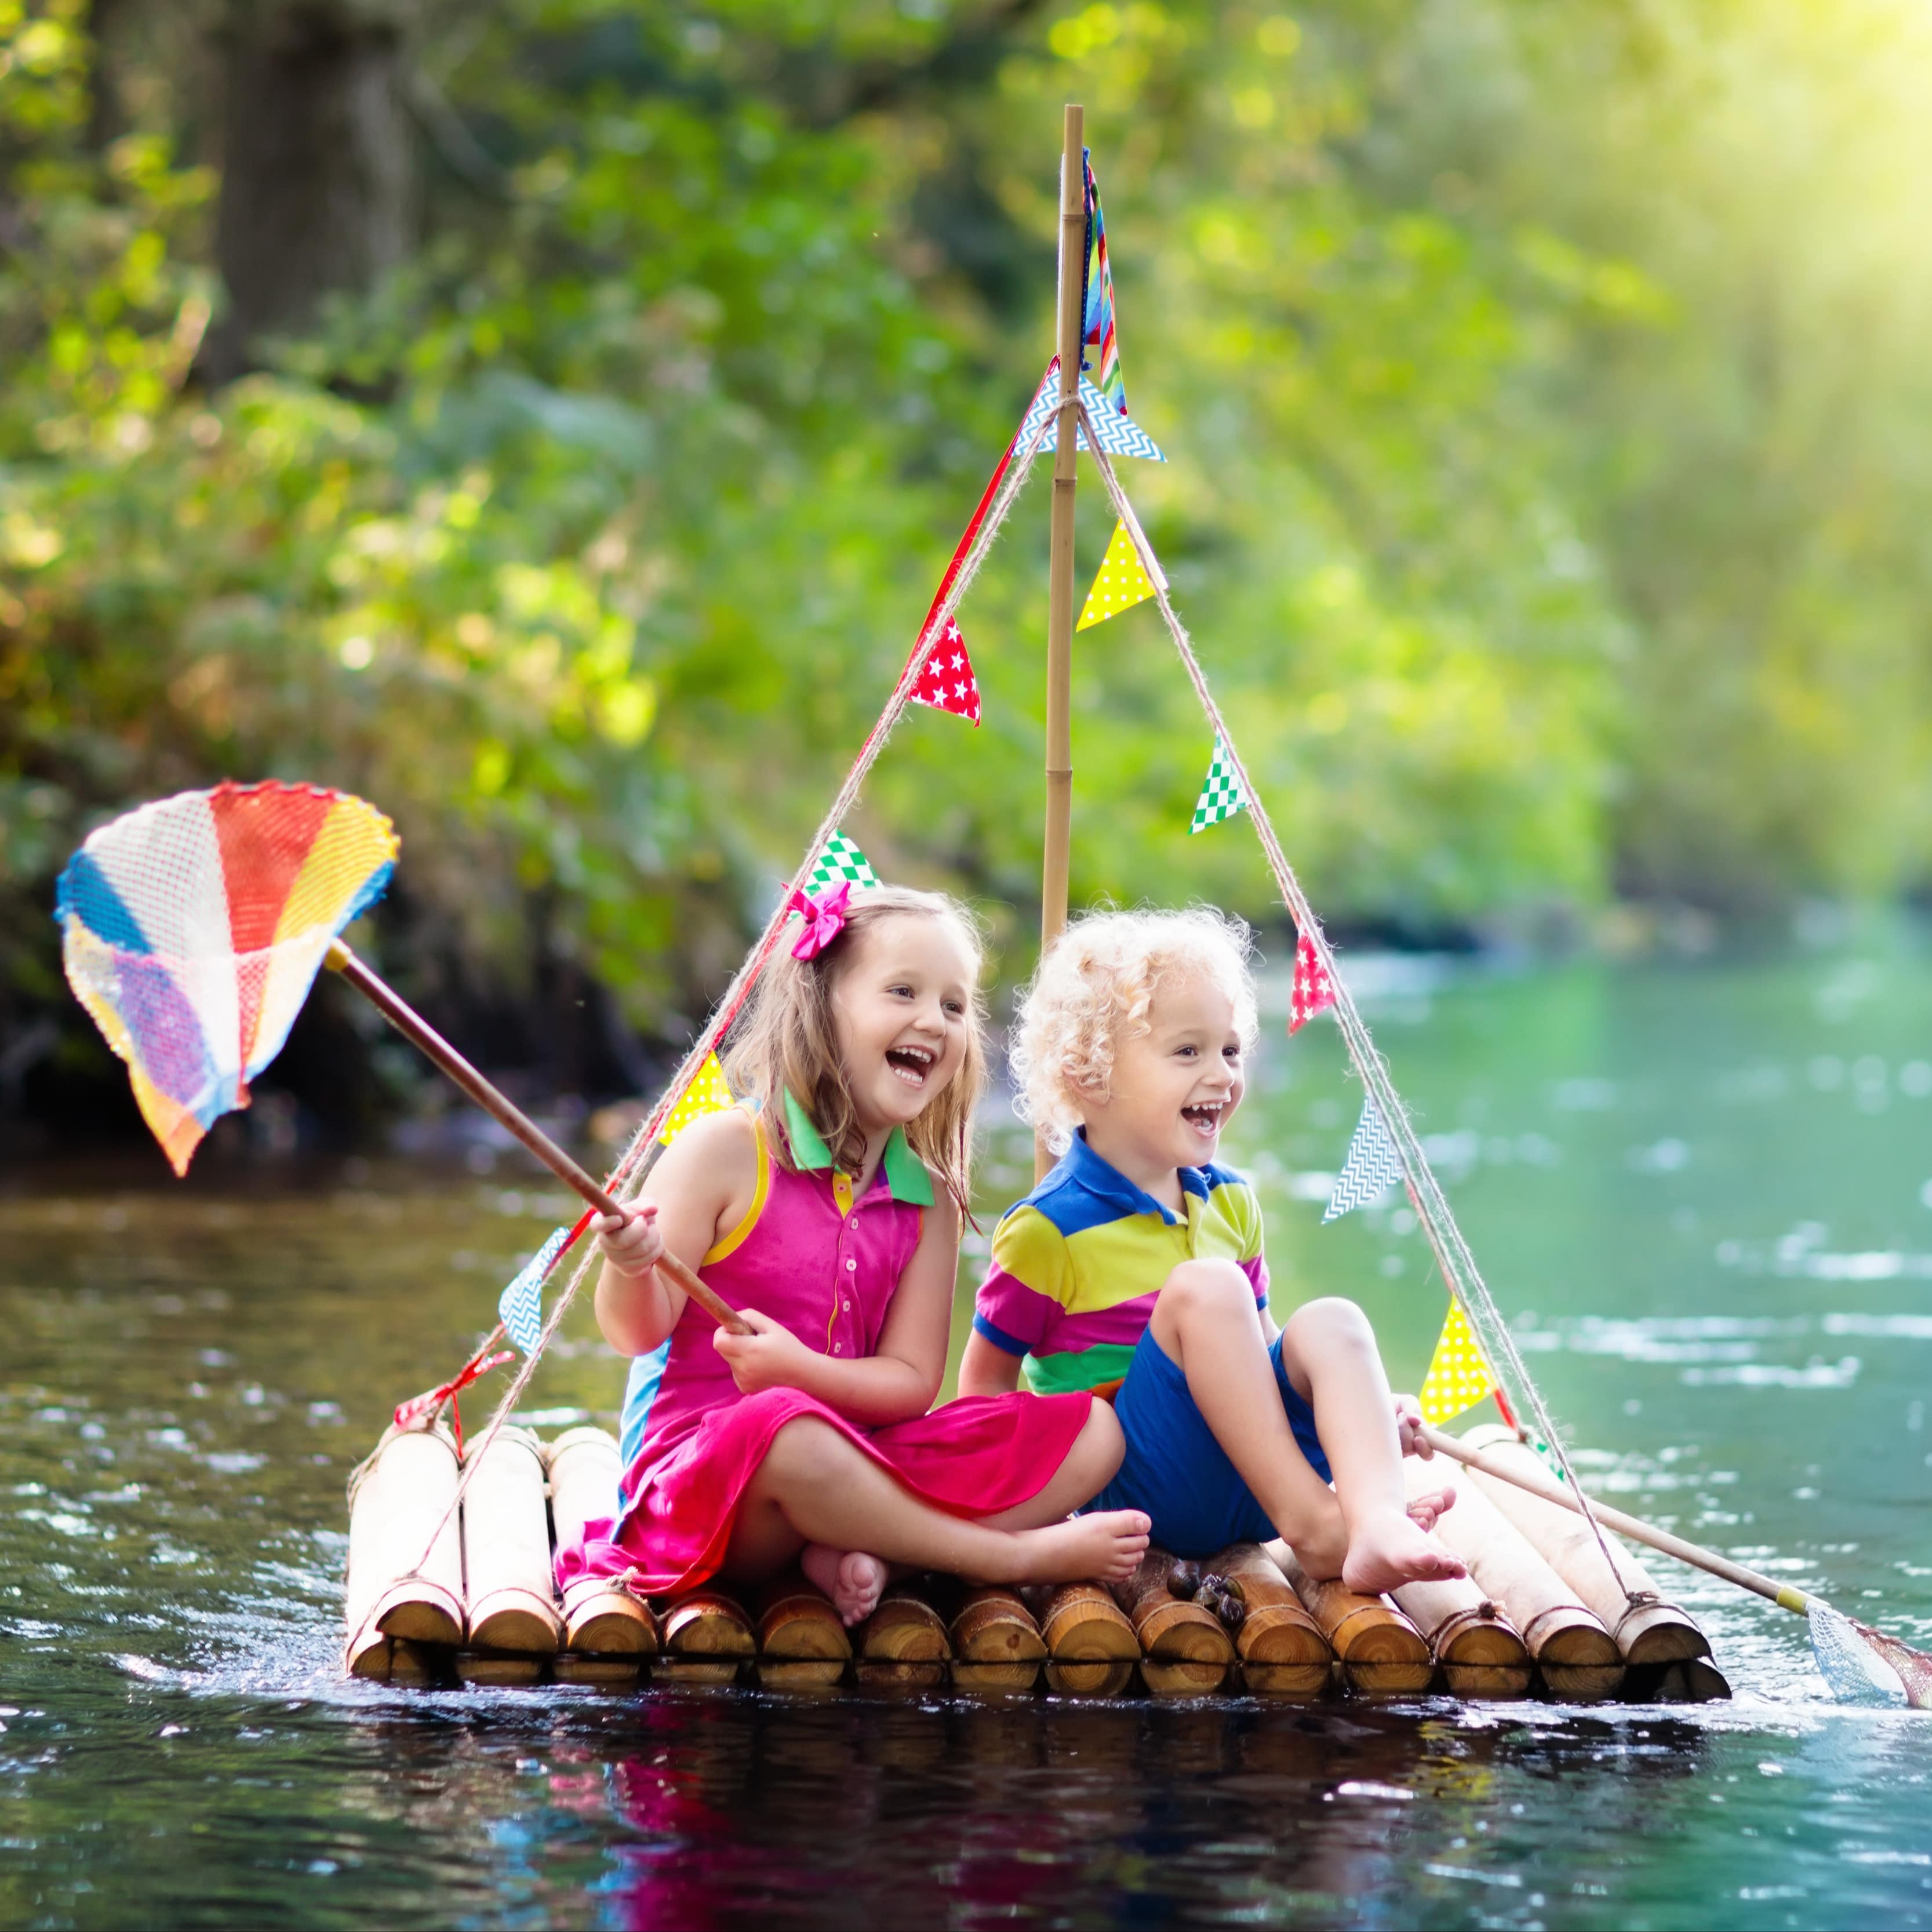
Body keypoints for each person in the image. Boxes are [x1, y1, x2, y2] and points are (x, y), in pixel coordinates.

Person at [557, 882, 1150, 1625]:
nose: (933, 1020)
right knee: (785, 1425)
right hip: (710, 1489)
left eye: (955, 1006)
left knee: (1091, 1431)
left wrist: (801, 1373)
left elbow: (909, 1386)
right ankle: (1003, 1555)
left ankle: (876, 1549)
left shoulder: (926, 1197)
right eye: (903, 991)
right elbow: (633, 1333)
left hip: (861, 1465)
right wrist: (629, 1265)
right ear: (820, 1007)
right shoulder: (726, 1150)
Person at [958, 907, 1464, 1595]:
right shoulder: (1048, 1229)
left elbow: (1260, 1350)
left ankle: (1374, 1516)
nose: (1222, 1075)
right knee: (1209, 1288)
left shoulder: (1230, 1202)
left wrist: (1363, 1410)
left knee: (1333, 1321)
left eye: (1230, 1050)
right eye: (1187, 1052)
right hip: (1139, 1489)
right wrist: (1024, 1522)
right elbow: (985, 1389)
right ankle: (1321, 1527)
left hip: (1249, 1481)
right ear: (1089, 1075)